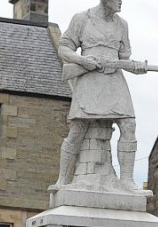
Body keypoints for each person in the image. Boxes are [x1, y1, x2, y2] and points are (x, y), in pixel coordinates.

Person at [56, 0, 148, 189]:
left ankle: (127, 180)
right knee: (77, 129)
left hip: (114, 80)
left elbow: (124, 60)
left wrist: (137, 67)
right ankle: (62, 180)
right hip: (89, 78)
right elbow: (64, 48)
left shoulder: (122, 25)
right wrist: (82, 60)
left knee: (129, 124)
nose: (121, 2)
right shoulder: (81, 18)